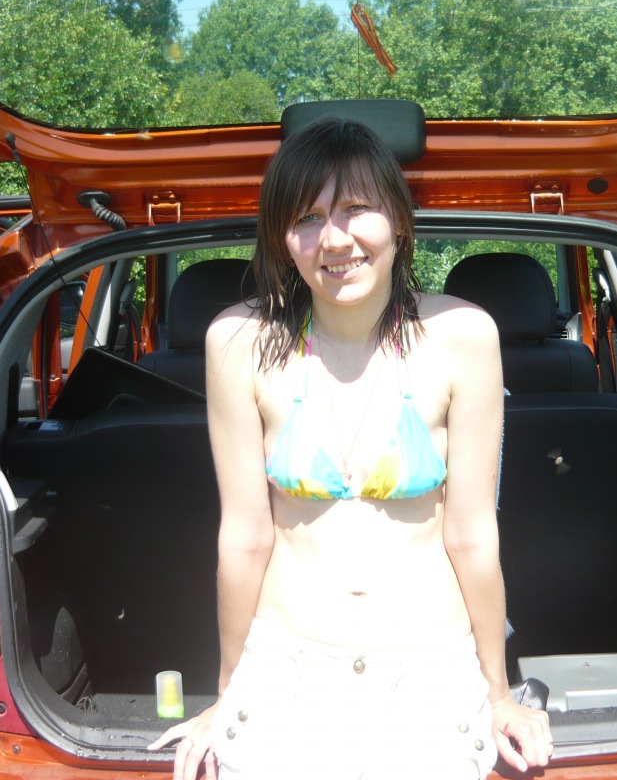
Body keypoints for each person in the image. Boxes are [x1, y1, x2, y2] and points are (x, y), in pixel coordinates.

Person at [150, 118, 552, 778]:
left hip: (429, 675)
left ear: (398, 219)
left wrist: (500, 695)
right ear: (283, 240)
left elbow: (473, 535)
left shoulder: (465, 336)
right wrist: (227, 695)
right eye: (306, 218)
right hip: (286, 674)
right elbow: (244, 537)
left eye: (356, 208)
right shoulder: (237, 343)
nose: (335, 239)